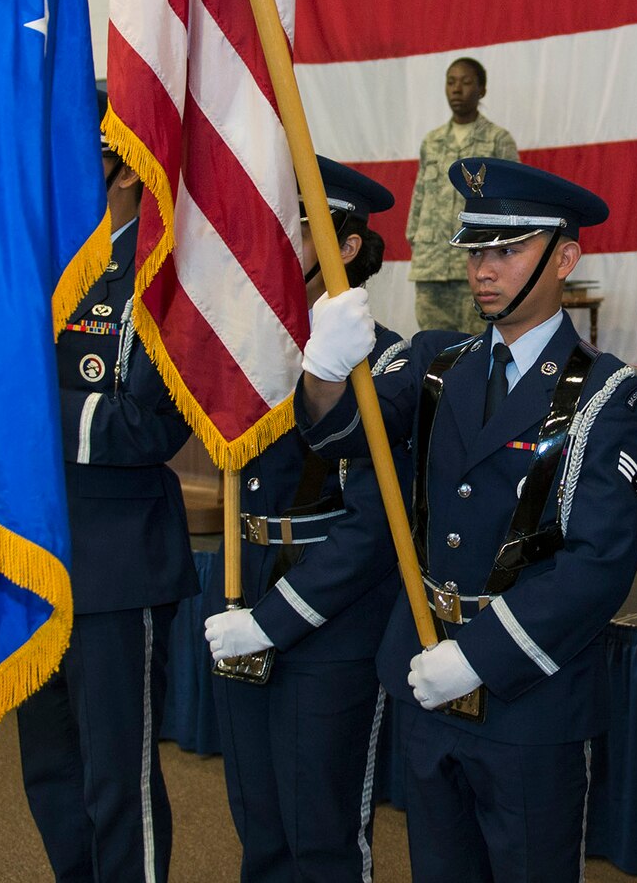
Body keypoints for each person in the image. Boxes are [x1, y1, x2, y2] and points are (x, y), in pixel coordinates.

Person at [295, 158, 637, 883]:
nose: (484, 269)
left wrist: (481, 655)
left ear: (564, 259)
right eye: (475, 249)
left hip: (529, 692)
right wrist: (324, 373)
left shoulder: (609, 392)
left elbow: (597, 565)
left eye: (508, 249)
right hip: (427, 666)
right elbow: (343, 438)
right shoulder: (435, 362)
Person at [201, 157, 405, 883]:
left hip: (329, 616)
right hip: (242, 583)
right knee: (259, 826)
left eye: (300, 227)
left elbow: (373, 528)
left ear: (347, 247)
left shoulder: (385, 364)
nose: (276, 240)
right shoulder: (247, 347)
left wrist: (275, 620)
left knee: (321, 833)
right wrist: (245, 609)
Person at [17, 104, 197, 882]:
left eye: (67, 155)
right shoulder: (40, 267)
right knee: (51, 774)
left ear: (124, 167)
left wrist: (15, 406)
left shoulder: (155, 278)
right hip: (33, 553)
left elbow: (146, 429)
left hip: (119, 565)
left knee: (116, 781)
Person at [407, 58, 520, 334]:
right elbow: (419, 197)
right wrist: (416, 240)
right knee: (433, 350)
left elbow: (511, 204)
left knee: (478, 348)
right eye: (451, 82)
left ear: (482, 90)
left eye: (466, 82)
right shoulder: (432, 141)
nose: (457, 89)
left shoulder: (497, 140)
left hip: (479, 267)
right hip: (431, 267)